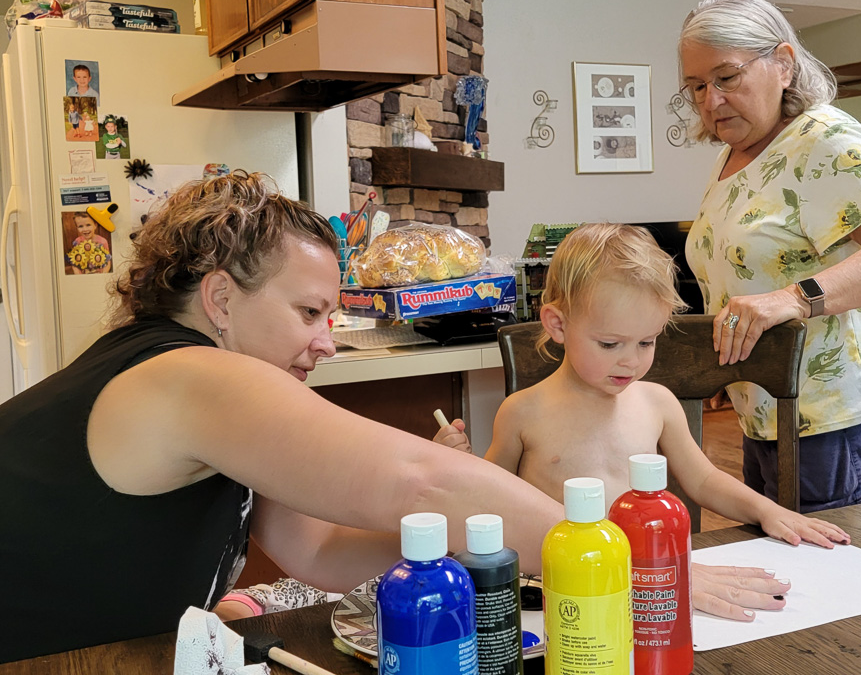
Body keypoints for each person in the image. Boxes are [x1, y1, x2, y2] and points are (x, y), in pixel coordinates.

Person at [0, 172, 566, 663]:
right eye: (309, 313)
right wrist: (613, 548)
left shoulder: (184, 381)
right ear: (221, 299)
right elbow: (418, 481)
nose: (328, 344)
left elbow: (319, 551)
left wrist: (460, 543)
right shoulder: (195, 376)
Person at [436, 222, 850, 621]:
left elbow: (703, 480)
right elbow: (487, 500)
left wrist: (767, 510)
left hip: (657, 587)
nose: (631, 360)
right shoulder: (523, 411)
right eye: (610, 343)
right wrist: (454, 464)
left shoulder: (657, 402)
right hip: (568, 596)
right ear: (558, 325)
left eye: (647, 341)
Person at [676, 0, 861, 512]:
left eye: (726, 78)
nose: (710, 100)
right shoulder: (738, 155)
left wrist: (795, 299)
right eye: (697, 86)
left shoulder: (825, 139)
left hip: (839, 411)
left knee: (844, 575)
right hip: (768, 406)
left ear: (783, 63)